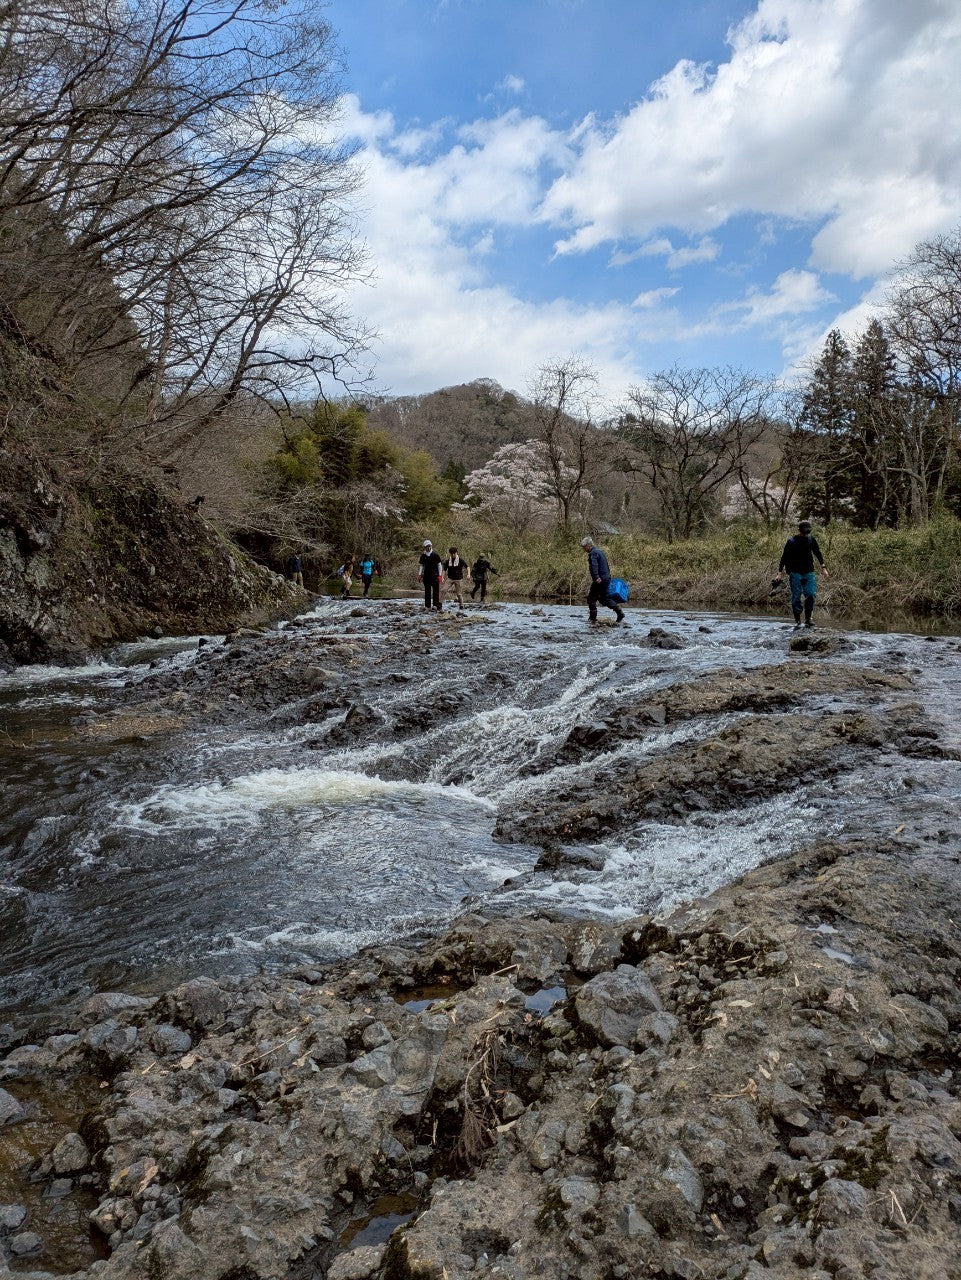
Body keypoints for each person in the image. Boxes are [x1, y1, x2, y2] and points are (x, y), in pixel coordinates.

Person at [776, 519, 829, 629]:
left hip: (809, 572)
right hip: (795, 573)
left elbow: (817, 552)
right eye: (804, 532)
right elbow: (784, 557)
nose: (806, 534)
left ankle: (808, 619)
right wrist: (779, 573)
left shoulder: (811, 539)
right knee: (796, 597)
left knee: (811, 594)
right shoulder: (791, 541)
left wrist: (823, 567)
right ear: (799, 530)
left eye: (807, 532)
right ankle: (798, 621)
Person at [581, 535, 625, 625]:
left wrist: (596, 577)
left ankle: (592, 619)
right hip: (606, 578)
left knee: (591, 598)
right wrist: (607, 578)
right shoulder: (600, 552)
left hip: (599, 580)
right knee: (604, 598)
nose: (583, 549)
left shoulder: (593, 553)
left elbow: (594, 566)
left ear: (588, 546)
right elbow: (607, 566)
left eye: (584, 547)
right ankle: (619, 612)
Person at [418, 539, 443, 611]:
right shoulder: (423, 556)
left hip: (435, 575)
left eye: (429, 546)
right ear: (424, 547)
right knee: (427, 591)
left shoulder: (435, 555)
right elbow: (421, 566)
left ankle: (435, 605)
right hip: (426, 576)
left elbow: (439, 565)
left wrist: (440, 575)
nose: (428, 547)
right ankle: (427, 606)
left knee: (436, 591)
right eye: (426, 546)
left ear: (431, 546)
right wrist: (419, 575)